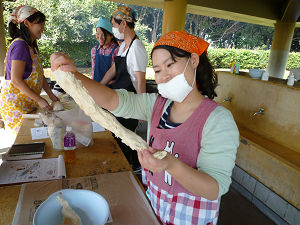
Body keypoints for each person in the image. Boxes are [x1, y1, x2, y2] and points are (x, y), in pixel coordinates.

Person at [50, 30, 239, 225]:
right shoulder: (157, 104)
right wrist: (74, 76)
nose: (163, 76)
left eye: (170, 65)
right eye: (157, 70)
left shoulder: (217, 120)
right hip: (155, 208)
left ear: (193, 60)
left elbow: (214, 188)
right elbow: (114, 100)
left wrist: (171, 165)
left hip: (190, 218)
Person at [101, 5, 148, 169]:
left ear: (124, 24)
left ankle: (130, 169)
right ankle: (124, 166)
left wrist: (143, 108)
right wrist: (99, 86)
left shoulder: (137, 48)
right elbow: (113, 69)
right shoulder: (124, 46)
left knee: (125, 140)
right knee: (117, 137)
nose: (113, 29)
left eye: (114, 25)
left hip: (132, 102)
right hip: (121, 100)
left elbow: (141, 81)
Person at [0, 5, 59, 134]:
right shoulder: (20, 46)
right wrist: (39, 99)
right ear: (27, 23)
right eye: (40, 24)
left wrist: (50, 94)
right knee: (24, 141)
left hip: (27, 103)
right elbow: (16, 80)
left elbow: (39, 74)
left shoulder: (31, 46)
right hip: (15, 106)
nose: (43, 29)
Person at [91, 17, 119, 82]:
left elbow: (118, 73)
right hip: (96, 86)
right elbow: (93, 72)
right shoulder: (94, 50)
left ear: (112, 35)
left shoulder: (116, 50)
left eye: (103, 35)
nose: (100, 38)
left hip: (111, 88)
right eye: (98, 34)